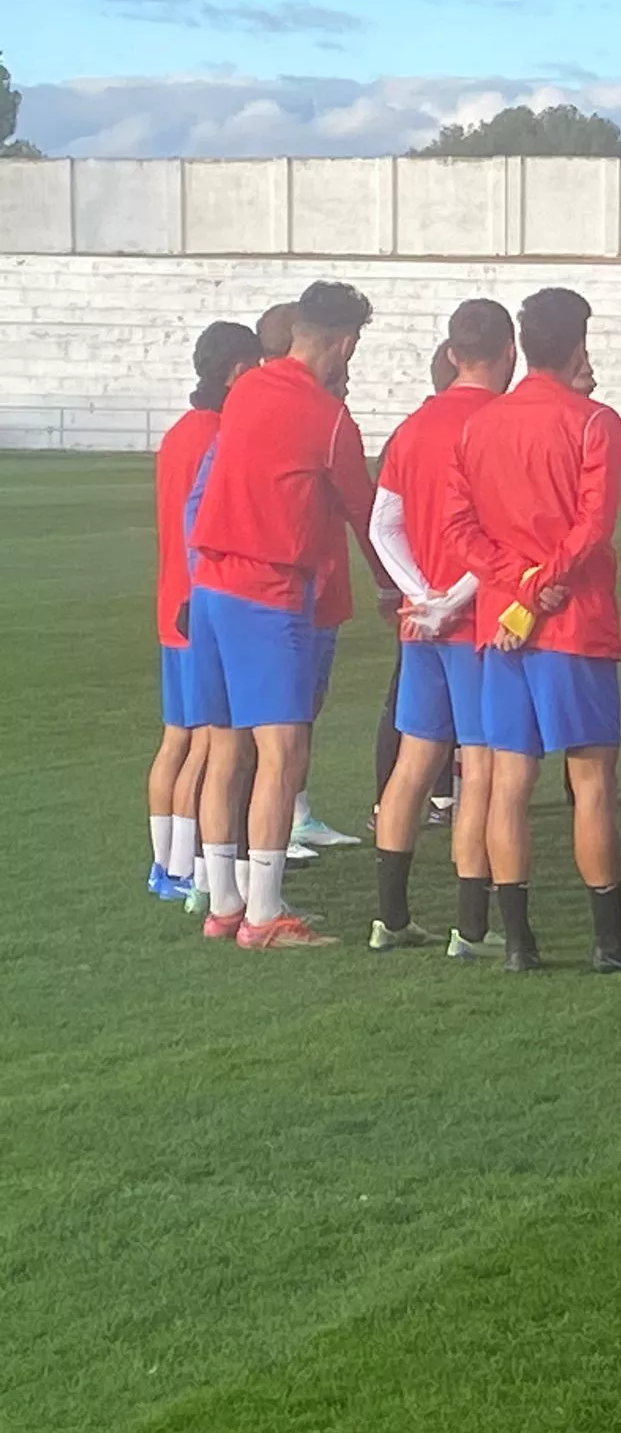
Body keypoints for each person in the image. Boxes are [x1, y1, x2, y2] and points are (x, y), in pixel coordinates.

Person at [444, 287, 621, 975]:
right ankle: (607, 936)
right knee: (590, 781)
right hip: (572, 622)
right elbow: (593, 525)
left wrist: (514, 584)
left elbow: (458, 530)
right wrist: (541, 582)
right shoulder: (593, 422)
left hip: (503, 628)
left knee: (508, 781)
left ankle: (519, 941)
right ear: (580, 344)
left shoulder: (478, 426)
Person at [187, 282, 382, 950]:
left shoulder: (246, 392)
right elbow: (367, 513)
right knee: (283, 751)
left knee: (224, 748)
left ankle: (225, 904)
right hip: (267, 591)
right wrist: (394, 588)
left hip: (211, 584)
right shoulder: (328, 418)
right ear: (345, 342)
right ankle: (265, 916)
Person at [366, 303, 518, 959]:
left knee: (412, 764)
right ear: (508, 351)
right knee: (477, 767)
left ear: (453, 354)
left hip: (420, 624)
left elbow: (382, 526)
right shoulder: (499, 427)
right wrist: (454, 599)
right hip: (475, 623)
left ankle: (390, 917)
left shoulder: (412, 427)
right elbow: (505, 539)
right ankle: (471, 927)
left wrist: (420, 596)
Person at [147, 321, 262, 906]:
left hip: (171, 601)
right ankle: (189, 865)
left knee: (177, 739)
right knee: (209, 746)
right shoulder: (219, 436)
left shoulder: (176, 433)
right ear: (238, 371)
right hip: (202, 605)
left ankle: (166, 862)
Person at [254, 300, 361, 856]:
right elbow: (364, 510)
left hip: (306, 587)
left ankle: (291, 816)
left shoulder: (308, 409)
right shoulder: (297, 411)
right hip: (285, 589)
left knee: (298, 715)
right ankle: (262, 846)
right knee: (275, 726)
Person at [373, 343, 460, 834]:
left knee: (410, 716)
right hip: (464, 599)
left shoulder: (408, 431)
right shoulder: (485, 423)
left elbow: (382, 521)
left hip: (420, 600)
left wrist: (408, 590)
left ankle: (409, 803)